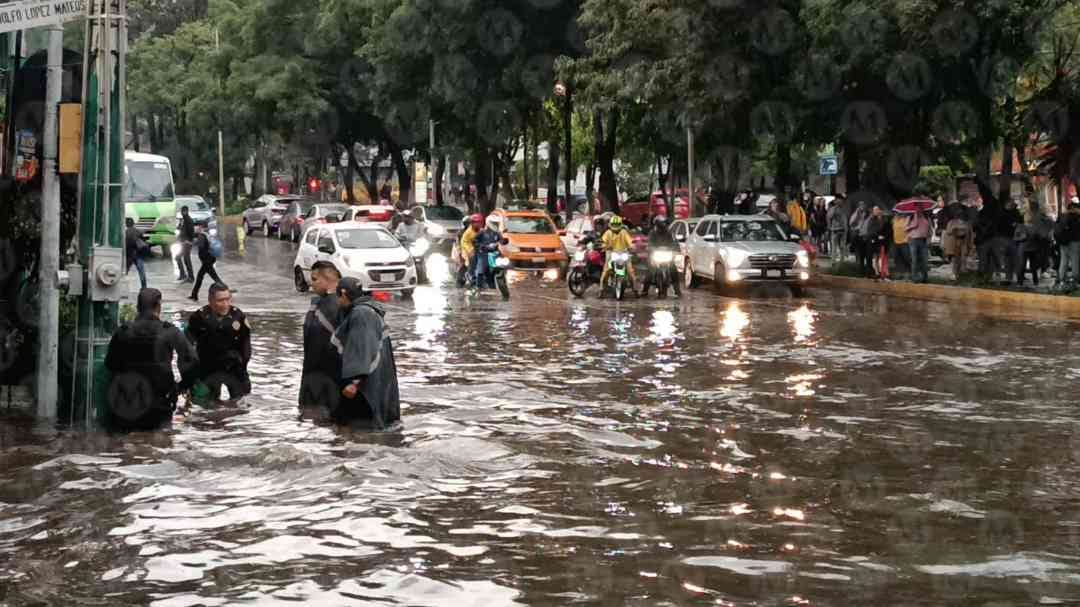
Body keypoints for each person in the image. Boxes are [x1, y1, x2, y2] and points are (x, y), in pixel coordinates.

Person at [104, 288, 198, 430]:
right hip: (159, 405)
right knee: (159, 443)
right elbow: (192, 360)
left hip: (126, 403)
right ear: (159, 306)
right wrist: (182, 387)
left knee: (124, 444)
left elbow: (110, 364)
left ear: (137, 307)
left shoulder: (123, 331)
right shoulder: (169, 331)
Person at [332, 277, 401, 428]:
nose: (337, 301)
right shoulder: (369, 310)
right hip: (376, 381)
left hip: (365, 386)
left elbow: (364, 349)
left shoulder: (361, 314)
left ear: (343, 294)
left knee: (359, 433)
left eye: (337, 296)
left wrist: (354, 383)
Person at [185, 283, 251, 401]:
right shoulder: (199, 317)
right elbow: (188, 344)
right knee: (207, 405)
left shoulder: (238, 315)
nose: (225, 304)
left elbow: (246, 343)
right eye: (220, 300)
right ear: (210, 300)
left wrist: (243, 365)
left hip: (233, 367)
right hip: (208, 368)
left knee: (241, 403)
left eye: (228, 299)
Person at [300, 261, 346, 418]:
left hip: (329, 378)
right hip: (313, 373)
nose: (311, 284)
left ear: (329, 280)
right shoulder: (319, 304)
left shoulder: (335, 307)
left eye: (315, 279)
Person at [642, 216, 682, 296]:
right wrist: (650, 249)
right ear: (656, 225)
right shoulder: (652, 233)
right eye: (660, 225)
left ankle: (677, 290)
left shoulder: (670, 233)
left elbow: (675, 242)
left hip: (667, 256)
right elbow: (649, 244)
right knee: (650, 271)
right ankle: (645, 290)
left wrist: (676, 250)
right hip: (655, 256)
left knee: (673, 270)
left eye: (664, 224)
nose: (662, 227)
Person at [600, 215, 637, 296]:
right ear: (610, 225)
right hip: (611, 253)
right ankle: (601, 289)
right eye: (614, 225)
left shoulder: (624, 232)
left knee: (630, 271)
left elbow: (630, 242)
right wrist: (604, 246)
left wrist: (632, 247)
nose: (615, 227)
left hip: (623, 253)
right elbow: (603, 242)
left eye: (617, 225)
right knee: (606, 270)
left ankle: (635, 289)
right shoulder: (608, 233)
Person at [189, 224, 225, 301]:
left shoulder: (201, 236)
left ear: (200, 228)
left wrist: (193, 243)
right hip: (209, 259)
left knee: (206, 277)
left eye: (197, 227)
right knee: (208, 277)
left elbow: (201, 246)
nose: (195, 229)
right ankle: (194, 295)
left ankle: (225, 289)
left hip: (207, 260)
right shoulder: (205, 235)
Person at [943, 208, 975, 281]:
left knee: (962, 259)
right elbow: (948, 232)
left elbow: (970, 235)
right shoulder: (951, 222)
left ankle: (960, 273)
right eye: (958, 213)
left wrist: (970, 245)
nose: (960, 215)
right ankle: (954, 273)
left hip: (964, 243)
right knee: (955, 259)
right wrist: (955, 229)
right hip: (954, 243)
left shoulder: (968, 223)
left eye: (961, 213)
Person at [1054, 202, 1080, 287]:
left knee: (1063, 261)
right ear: (1074, 208)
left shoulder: (1061, 216)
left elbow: (1056, 228)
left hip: (1062, 242)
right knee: (1075, 261)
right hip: (1074, 242)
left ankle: (1062, 280)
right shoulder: (1076, 217)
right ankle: (1075, 281)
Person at [471, 219, 502, 289]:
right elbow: (474, 241)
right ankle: (478, 286)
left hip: (493, 254)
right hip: (483, 253)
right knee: (481, 269)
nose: (496, 225)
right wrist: (483, 246)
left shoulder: (497, 233)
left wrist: (503, 242)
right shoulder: (482, 232)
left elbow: (502, 240)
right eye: (494, 223)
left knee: (495, 269)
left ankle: (493, 285)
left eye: (497, 223)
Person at [906, 209, 932, 283]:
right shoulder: (910, 217)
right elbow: (905, 228)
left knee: (924, 260)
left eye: (920, 207)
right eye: (917, 208)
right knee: (914, 260)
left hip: (923, 240)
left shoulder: (926, 217)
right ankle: (915, 278)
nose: (918, 209)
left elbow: (930, 230)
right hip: (913, 240)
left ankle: (924, 278)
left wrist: (929, 240)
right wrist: (914, 222)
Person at [862, 206, 888, 278]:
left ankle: (877, 272)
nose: (878, 211)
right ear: (873, 211)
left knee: (876, 257)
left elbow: (881, 229)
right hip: (871, 240)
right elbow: (871, 231)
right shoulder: (872, 219)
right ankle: (869, 273)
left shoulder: (880, 219)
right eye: (876, 210)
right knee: (870, 257)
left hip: (877, 241)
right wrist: (877, 236)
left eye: (878, 210)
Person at [125, 217, 149, 290]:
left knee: (124, 271)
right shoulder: (138, 231)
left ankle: (119, 284)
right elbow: (143, 240)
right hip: (138, 254)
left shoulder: (126, 232)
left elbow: (126, 244)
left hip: (130, 254)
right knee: (141, 272)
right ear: (133, 223)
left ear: (126, 224)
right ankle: (144, 287)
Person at [176, 205, 195, 283]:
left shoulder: (189, 220)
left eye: (184, 211)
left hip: (187, 243)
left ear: (187, 211)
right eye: (182, 211)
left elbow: (191, 231)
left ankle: (190, 277)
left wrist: (190, 240)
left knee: (186, 259)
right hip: (183, 242)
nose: (182, 213)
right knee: (179, 257)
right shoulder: (183, 220)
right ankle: (183, 274)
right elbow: (180, 228)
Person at [827, 196, 848, 262]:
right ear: (835, 201)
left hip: (843, 230)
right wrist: (830, 227)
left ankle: (842, 261)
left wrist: (846, 228)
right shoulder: (833, 209)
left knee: (842, 246)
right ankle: (833, 261)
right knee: (834, 247)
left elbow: (846, 219)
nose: (839, 202)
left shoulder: (844, 209)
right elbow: (829, 217)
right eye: (838, 201)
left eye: (841, 201)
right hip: (835, 230)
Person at [891, 212, 910, 277]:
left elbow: (909, 230)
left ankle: (907, 272)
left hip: (904, 242)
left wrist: (907, 238)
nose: (896, 215)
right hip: (896, 241)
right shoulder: (894, 220)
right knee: (897, 258)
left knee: (906, 257)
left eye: (898, 213)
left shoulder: (906, 219)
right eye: (895, 214)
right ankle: (899, 272)